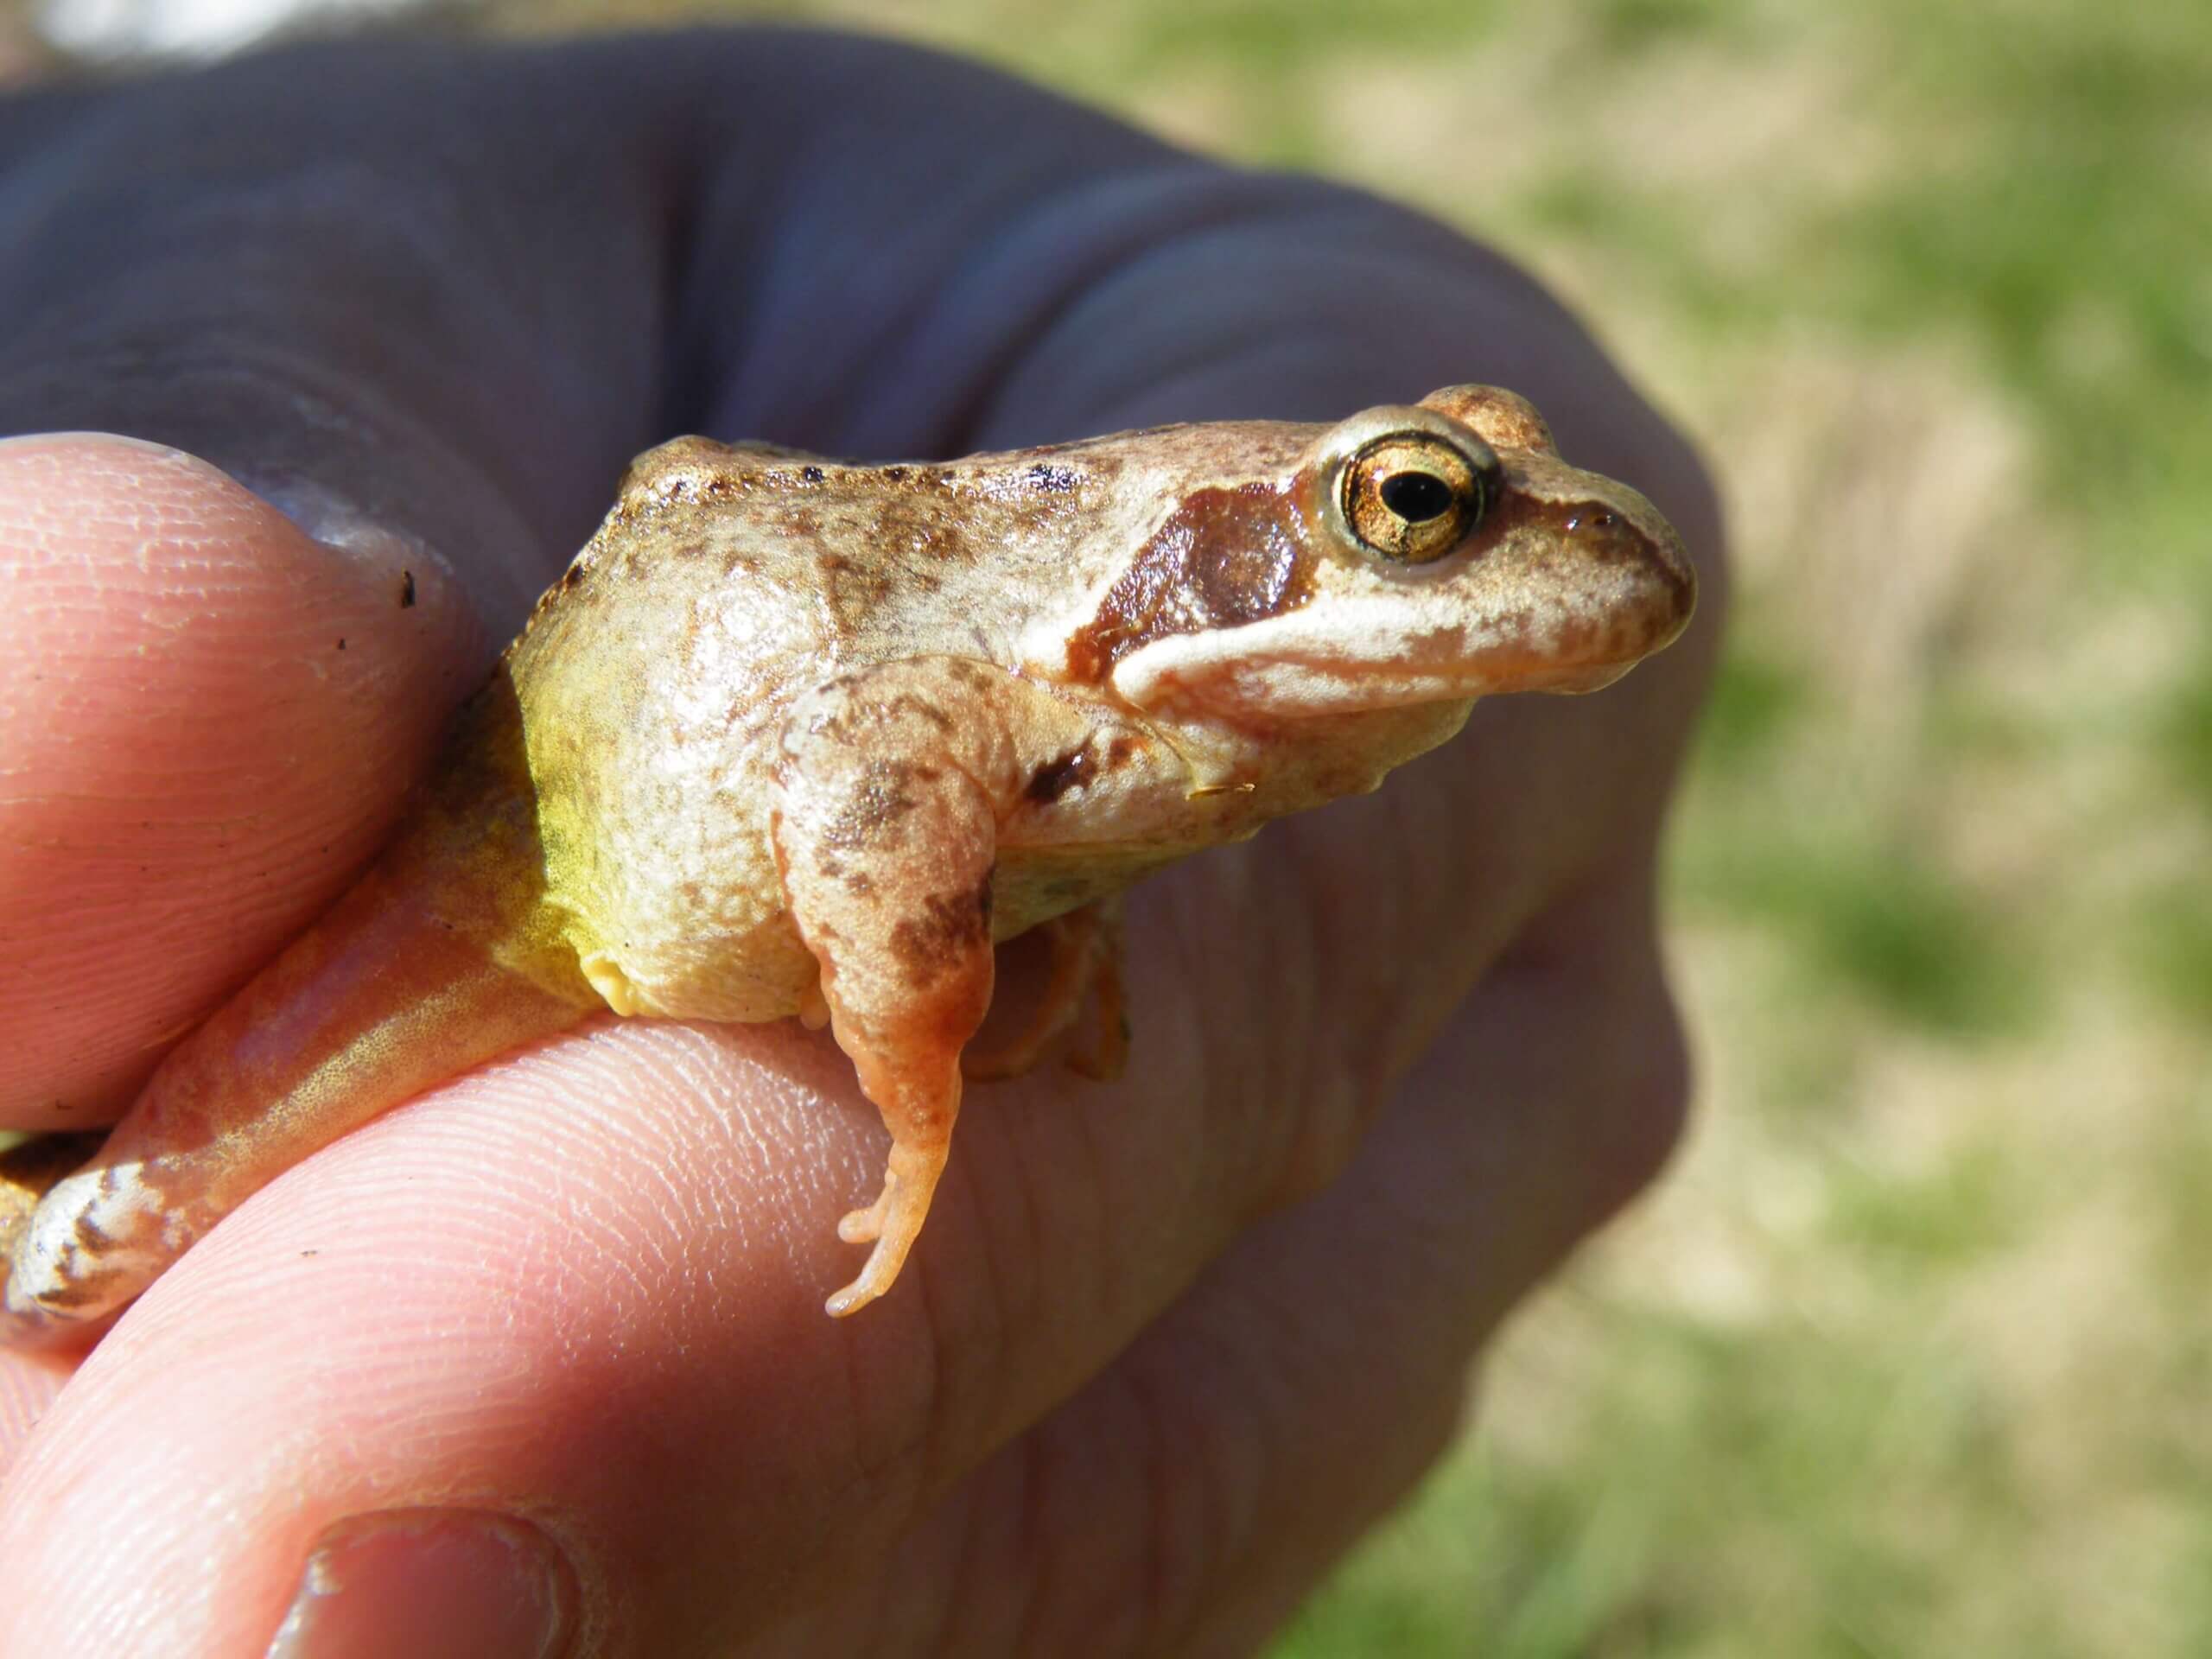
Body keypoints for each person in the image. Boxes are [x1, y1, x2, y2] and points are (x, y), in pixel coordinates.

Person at [0, 29, 1723, 1658]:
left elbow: (1023, 809)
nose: (1519, 552)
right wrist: (915, 1065)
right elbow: (874, 790)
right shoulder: (1081, 703)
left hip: (637, 844)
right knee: (101, 1238)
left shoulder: (1201, 729)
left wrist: (1059, 909)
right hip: (542, 842)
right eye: (1415, 512)